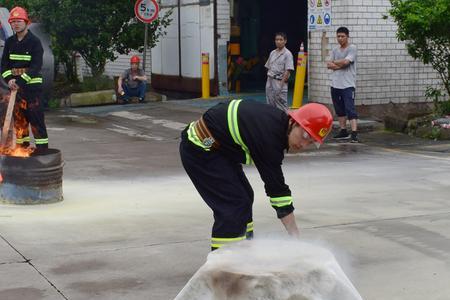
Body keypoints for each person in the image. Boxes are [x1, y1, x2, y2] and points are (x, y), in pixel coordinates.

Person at [179, 99, 333, 251]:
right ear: (294, 122)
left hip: (218, 150)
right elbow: (277, 190)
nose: (303, 145)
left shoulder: (277, 125)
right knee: (234, 204)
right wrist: (295, 238)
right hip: (199, 149)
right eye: (305, 136)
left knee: (245, 196)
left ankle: (244, 250)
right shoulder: (269, 136)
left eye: (311, 142)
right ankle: (224, 263)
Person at [1, 6, 48, 150]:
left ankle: (42, 154)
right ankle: (22, 153)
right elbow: (4, 66)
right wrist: (9, 80)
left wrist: (19, 82)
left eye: (19, 21)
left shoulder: (35, 42)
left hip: (33, 90)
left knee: (36, 122)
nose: (15, 24)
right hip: (16, 90)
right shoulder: (9, 42)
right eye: (13, 21)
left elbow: (36, 67)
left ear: (26, 22)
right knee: (20, 123)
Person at [326, 27, 359, 143]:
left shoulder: (352, 48)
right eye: (338, 36)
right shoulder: (335, 50)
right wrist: (340, 63)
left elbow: (346, 62)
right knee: (339, 109)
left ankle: (354, 133)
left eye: (342, 36)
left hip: (348, 84)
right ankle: (343, 130)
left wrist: (336, 62)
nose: (340, 39)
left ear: (347, 36)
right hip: (335, 84)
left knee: (350, 109)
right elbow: (328, 65)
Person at [265, 32, 294, 112]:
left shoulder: (287, 54)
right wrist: (269, 79)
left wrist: (281, 84)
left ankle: (283, 122)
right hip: (270, 80)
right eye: (277, 39)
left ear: (285, 41)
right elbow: (268, 67)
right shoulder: (272, 53)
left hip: (280, 81)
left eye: (281, 40)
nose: (278, 41)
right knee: (270, 104)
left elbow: (288, 70)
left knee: (281, 105)